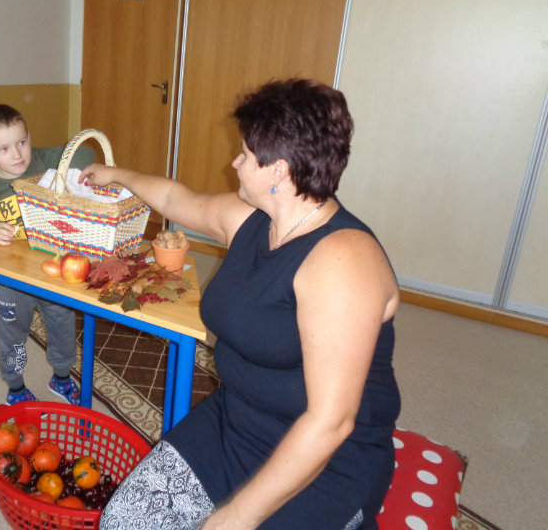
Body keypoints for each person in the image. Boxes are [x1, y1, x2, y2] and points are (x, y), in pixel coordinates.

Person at [80, 79, 401, 530]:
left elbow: (330, 422)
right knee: (122, 522)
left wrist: (233, 519)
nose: (234, 161)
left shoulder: (343, 261)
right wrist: (116, 175)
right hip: (236, 423)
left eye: (246, 154)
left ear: (279, 171)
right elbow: (175, 198)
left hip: (327, 460)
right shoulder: (252, 219)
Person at [0, 104, 95, 405]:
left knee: (63, 327)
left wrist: (52, 158)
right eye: (4, 149)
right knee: (12, 335)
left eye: (22, 142)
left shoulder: (41, 160)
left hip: (54, 269)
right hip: (13, 279)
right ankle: (15, 388)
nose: (17, 154)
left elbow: (87, 154)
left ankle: (62, 378)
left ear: (30, 137)